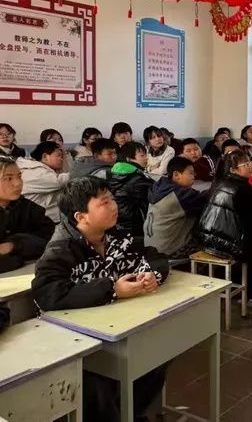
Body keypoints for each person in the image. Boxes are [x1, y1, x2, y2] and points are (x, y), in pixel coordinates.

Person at [31, 177, 169, 421]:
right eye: (104, 202)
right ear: (80, 216)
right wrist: (112, 290)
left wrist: (152, 275)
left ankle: (132, 413)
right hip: (75, 339)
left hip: (114, 327)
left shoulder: (116, 237)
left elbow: (154, 256)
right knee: (96, 385)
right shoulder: (62, 249)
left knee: (155, 356)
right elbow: (48, 293)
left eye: (112, 199)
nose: (114, 206)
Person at [196, 150, 252, 304]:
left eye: (250, 163)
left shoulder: (220, 181)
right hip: (226, 243)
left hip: (206, 238)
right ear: (233, 169)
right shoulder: (241, 186)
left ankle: (239, 286)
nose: (250, 166)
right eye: (246, 164)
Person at [0, 156, 55, 273]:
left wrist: (14, 244)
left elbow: (53, 240)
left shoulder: (28, 207)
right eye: (8, 178)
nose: (17, 183)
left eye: (19, 177)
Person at [144, 157, 207, 259]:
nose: (194, 176)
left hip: (150, 249)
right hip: (168, 252)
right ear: (176, 175)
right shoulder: (180, 195)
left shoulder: (159, 188)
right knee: (213, 248)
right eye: (191, 173)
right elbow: (206, 199)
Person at [107, 141, 154, 239]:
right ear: (129, 158)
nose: (146, 158)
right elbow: (154, 193)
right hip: (134, 225)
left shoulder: (116, 173)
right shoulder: (135, 178)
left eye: (146, 155)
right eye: (142, 155)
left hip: (120, 223)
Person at [16, 142, 70, 223]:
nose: (61, 159)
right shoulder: (33, 170)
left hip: (45, 217)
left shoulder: (40, 168)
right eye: (59, 155)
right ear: (45, 156)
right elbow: (58, 181)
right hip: (42, 220)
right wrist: (82, 171)